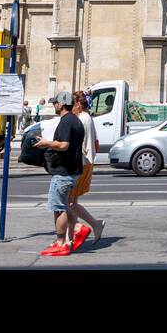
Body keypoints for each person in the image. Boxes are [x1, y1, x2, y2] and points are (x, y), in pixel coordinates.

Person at [32, 90, 86, 256]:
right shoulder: (76, 120)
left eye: (56, 102)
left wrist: (46, 143)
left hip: (64, 171)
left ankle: (61, 243)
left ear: (61, 104)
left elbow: (64, 145)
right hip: (72, 169)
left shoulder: (66, 121)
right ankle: (77, 228)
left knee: (57, 208)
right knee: (62, 205)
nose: (54, 105)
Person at [67, 91, 105, 250]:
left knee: (67, 203)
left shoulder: (80, 119)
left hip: (80, 163)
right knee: (72, 202)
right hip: (87, 162)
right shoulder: (88, 118)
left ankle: (95, 225)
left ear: (77, 104)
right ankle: (69, 239)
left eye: (72, 105)